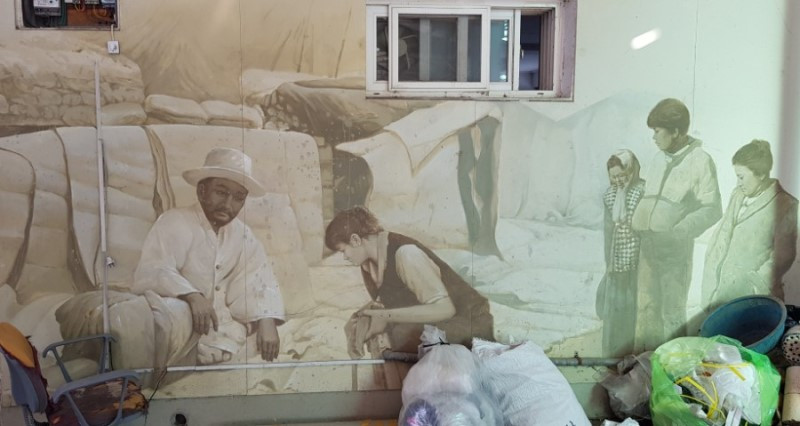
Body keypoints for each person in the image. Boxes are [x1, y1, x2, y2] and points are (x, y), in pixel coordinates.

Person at [132, 147, 285, 364]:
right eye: (221, 193)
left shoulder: (243, 234)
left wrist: (266, 320)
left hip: (226, 327)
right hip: (182, 321)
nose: (228, 204)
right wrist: (192, 295)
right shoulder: (175, 221)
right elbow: (154, 268)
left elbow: (259, 278)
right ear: (202, 191)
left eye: (238, 198)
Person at [325, 206, 494, 354]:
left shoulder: (406, 254)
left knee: (399, 335)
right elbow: (388, 301)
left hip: (468, 323)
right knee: (379, 332)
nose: (345, 257)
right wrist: (361, 321)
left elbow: (445, 309)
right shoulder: (368, 263)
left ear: (355, 240)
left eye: (343, 250)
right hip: (436, 320)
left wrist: (384, 316)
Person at [631, 98, 722, 351]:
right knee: (645, 308)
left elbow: (712, 208)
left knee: (671, 313)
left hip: (674, 250)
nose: (654, 137)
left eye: (657, 131)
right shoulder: (657, 159)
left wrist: (679, 232)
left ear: (676, 131)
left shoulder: (700, 161)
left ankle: (672, 366)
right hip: (648, 245)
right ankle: (643, 365)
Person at [702, 140, 798, 310]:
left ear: (761, 174)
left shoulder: (786, 204)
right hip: (720, 293)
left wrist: (753, 285)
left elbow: (783, 257)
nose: (738, 183)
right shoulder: (737, 195)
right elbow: (723, 234)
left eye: (741, 177)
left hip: (755, 299)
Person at [597, 150, 645, 357]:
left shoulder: (642, 191)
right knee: (615, 310)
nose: (618, 180)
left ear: (631, 171)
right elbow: (608, 231)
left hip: (637, 261)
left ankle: (631, 355)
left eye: (622, 175)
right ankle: (612, 356)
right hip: (617, 261)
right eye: (613, 176)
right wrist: (608, 261)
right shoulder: (609, 195)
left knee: (632, 310)